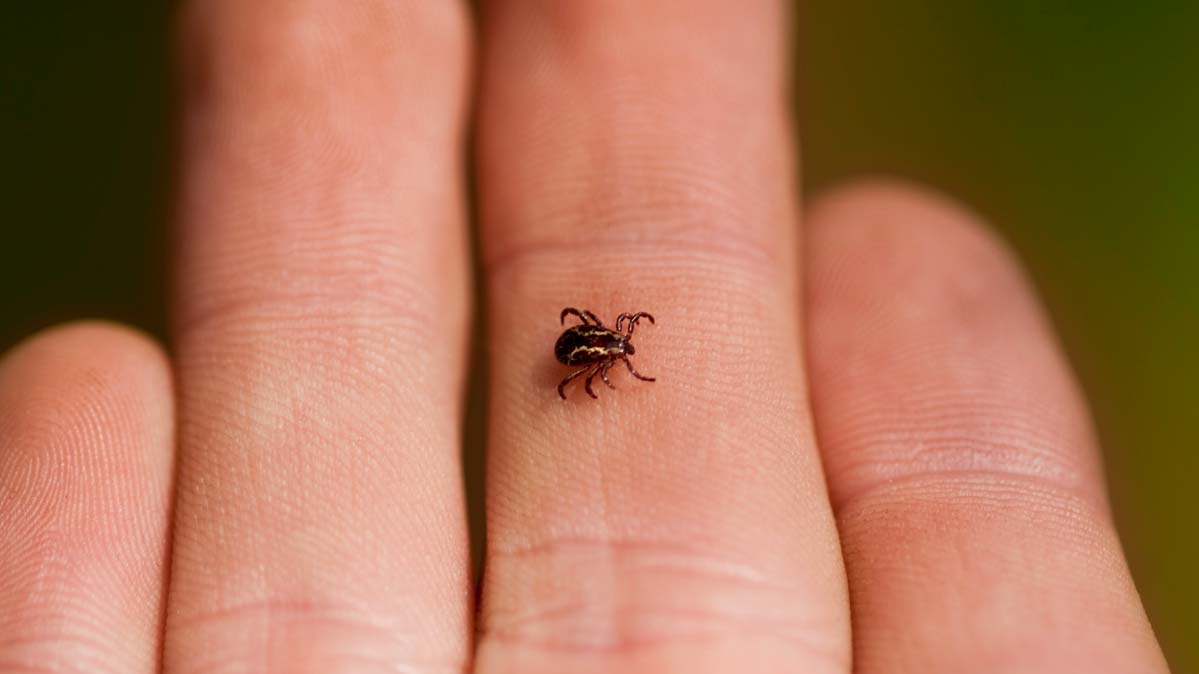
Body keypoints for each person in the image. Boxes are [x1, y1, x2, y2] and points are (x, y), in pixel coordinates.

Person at [0, 2, 1170, 672]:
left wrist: (591, 359)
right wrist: (605, 359)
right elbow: (583, 356)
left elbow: (579, 352)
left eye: (607, 346)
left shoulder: (592, 347)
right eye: (608, 346)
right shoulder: (601, 352)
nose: (606, 350)